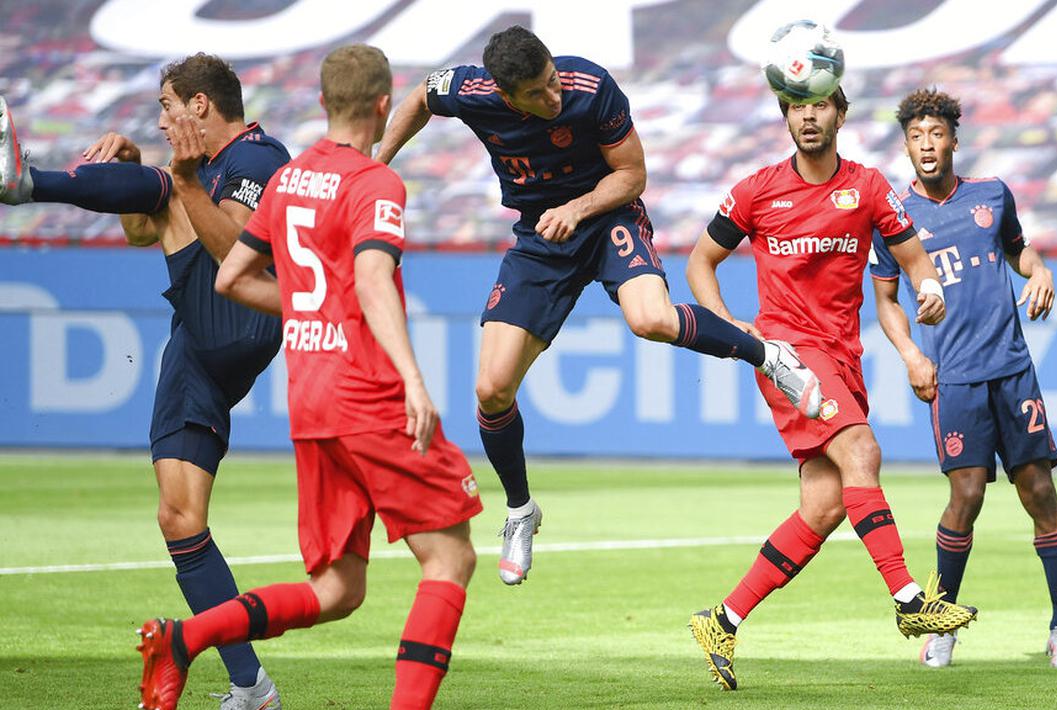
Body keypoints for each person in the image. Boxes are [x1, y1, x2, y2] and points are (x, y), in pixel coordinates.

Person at [375, 25, 823, 586]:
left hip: (606, 215)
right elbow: (421, 94)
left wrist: (580, 207)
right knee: (491, 389)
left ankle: (768, 354)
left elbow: (633, 175)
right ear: (506, 95)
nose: (554, 96)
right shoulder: (473, 91)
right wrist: (381, 160)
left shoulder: (590, 86)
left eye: (551, 81)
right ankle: (520, 511)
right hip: (540, 239)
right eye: (538, 93)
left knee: (650, 319)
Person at [136, 44, 483, 710]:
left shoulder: (291, 180)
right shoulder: (375, 182)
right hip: (368, 395)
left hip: (311, 400)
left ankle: (183, 639)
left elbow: (233, 276)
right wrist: (412, 376)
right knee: (451, 559)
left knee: (338, 592)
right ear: (384, 106)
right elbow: (375, 279)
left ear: (322, 103)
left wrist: (310, 302)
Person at [0, 54, 289, 708]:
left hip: (242, 312)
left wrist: (168, 183)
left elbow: (238, 253)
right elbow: (140, 232)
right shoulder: (204, 170)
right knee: (180, 517)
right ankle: (253, 689)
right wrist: (134, 173)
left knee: (162, 185)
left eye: (167, 106)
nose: (161, 120)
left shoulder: (258, 159)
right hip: (195, 336)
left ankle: (25, 184)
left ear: (201, 106)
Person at [684, 85, 978, 691]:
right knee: (863, 453)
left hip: (843, 356)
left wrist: (929, 287)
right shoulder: (755, 190)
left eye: (819, 105)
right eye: (797, 107)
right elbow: (698, 263)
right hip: (789, 355)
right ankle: (908, 598)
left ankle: (722, 619)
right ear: (786, 116)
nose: (808, 116)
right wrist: (731, 325)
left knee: (823, 506)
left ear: (839, 114)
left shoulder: (868, 187)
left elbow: (914, 258)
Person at [872, 87, 1057, 669]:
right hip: (954, 377)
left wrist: (1041, 272)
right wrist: (911, 353)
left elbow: (1023, 253)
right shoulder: (894, 215)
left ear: (953, 141)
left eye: (936, 135)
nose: (927, 145)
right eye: (916, 137)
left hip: (1011, 370)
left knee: (1038, 492)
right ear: (907, 147)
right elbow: (885, 299)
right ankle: (944, 625)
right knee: (965, 496)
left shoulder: (992, 195)